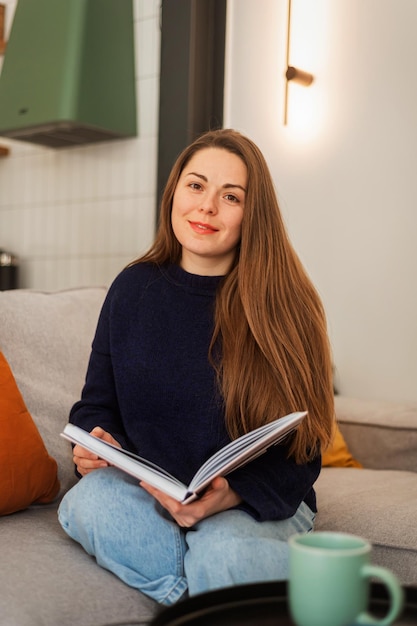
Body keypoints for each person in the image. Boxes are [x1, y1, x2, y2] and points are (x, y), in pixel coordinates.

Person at [58, 128, 334, 606]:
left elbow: (305, 451)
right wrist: (94, 443)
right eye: (196, 185)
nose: (206, 206)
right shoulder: (131, 289)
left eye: (230, 196)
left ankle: (214, 589)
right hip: (151, 497)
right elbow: (95, 406)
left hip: (249, 502)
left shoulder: (287, 305)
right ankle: (226, 604)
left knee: (224, 550)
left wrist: (231, 495)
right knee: (86, 503)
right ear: (174, 193)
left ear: (253, 214)